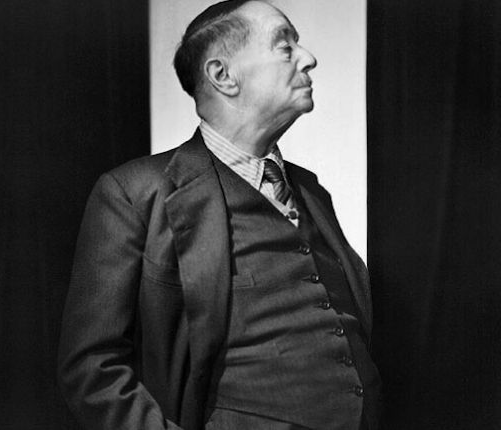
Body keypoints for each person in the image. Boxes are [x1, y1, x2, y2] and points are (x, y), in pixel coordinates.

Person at [57, 1, 379, 429]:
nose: (308, 59)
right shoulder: (134, 193)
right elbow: (92, 369)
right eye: (286, 47)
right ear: (223, 76)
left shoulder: (310, 189)